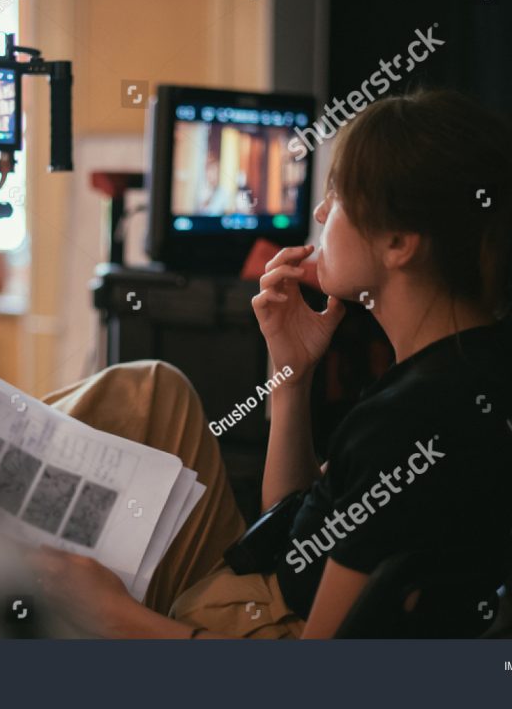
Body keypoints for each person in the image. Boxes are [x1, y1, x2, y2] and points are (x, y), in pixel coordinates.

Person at [30, 89, 512, 638]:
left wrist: (112, 613)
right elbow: (302, 526)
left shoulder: (406, 423)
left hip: (258, 625)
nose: (320, 213)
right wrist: (291, 371)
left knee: (49, 546)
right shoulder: (461, 364)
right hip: (266, 583)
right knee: (153, 389)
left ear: (399, 242)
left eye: (338, 196)